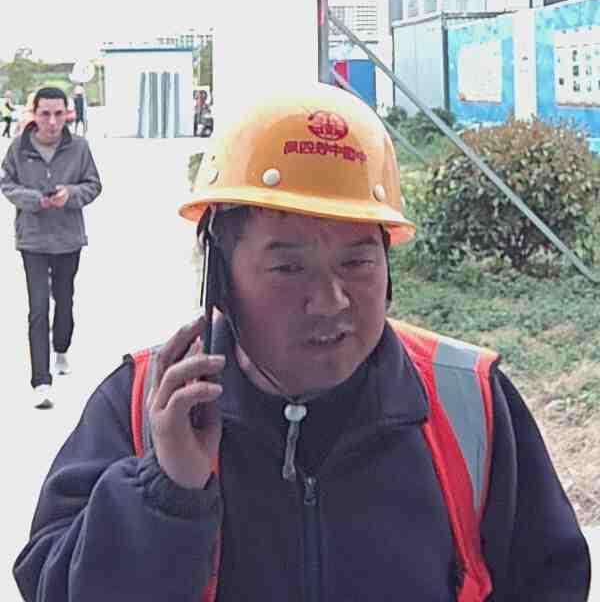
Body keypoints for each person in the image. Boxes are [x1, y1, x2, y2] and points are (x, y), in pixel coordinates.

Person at [12, 85, 590, 600]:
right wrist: (166, 491)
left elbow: (550, 580)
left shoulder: (470, 405)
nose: (331, 301)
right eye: (289, 268)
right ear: (220, 280)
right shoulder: (139, 407)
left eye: (357, 262)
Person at [1, 86, 102, 410]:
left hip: (68, 238)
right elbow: (6, 183)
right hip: (32, 239)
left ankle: (62, 347)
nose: (52, 121)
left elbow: (94, 185)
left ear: (68, 113)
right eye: (45, 114)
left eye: (59, 113)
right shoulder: (18, 147)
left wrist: (70, 194)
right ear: (34, 114)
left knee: (64, 301)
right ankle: (41, 381)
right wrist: (34, 200)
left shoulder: (80, 147)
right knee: (38, 308)